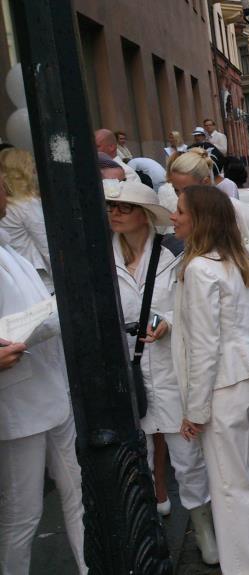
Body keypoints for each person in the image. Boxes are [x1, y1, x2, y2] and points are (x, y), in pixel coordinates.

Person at [171, 184, 249, 574]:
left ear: (199, 220)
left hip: (226, 385)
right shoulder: (233, 260)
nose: (174, 217)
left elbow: (204, 346)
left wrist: (194, 409)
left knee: (230, 489)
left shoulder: (201, 269)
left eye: (180, 211)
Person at [104, 179, 218, 564]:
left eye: (124, 208)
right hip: (128, 371)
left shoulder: (173, 256)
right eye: (112, 208)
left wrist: (166, 321)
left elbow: (189, 309)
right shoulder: (104, 258)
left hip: (170, 368)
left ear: (144, 216)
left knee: (187, 456)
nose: (115, 214)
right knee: (135, 456)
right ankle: (148, 532)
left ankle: (203, 529)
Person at [169, 149, 249, 488]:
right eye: (173, 189)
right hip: (231, 309)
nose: (176, 199)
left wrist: (240, 271)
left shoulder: (237, 211)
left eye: (182, 190)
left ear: (202, 185)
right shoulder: (196, 235)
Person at [0, 163, 87, 575]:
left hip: (52, 387)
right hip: (17, 404)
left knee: (77, 493)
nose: (5, 193)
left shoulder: (7, 247)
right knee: (22, 514)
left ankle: (91, 566)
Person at [0, 148, 51, 291]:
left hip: (16, 275)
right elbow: (47, 247)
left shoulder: (7, 205)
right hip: (40, 279)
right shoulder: (26, 205)